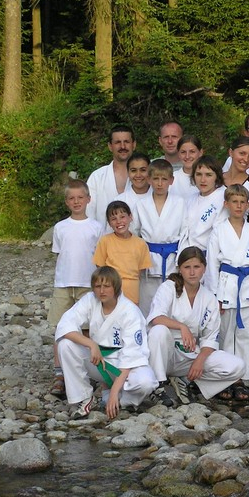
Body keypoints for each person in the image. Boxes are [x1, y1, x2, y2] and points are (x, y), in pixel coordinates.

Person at [147, 247, 246, 405]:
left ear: (204, 269)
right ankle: (158, 386)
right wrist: (182, 327)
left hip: (189, 355)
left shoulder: (209, 298)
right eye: (187, 267)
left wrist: (200, 360)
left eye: (196, 267)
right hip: (164, 354)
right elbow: (156, 318)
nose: (192, 272)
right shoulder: (168, 287)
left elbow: (210, 338)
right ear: (180, 269)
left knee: (237, 366)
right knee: (158, 331)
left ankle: (187, 381)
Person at [55, 266, 157, 419]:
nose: (102, 291)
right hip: (99, 360)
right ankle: (84, 397)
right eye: (98, 286)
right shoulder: (90, 300)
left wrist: (114, 393)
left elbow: (132, 355)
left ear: (116, 287)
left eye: (107, 286)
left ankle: (121, 401)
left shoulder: (130, 311)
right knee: (65, 345)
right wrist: (91, 344)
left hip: (123, 366)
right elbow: (65, 325)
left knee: (145, 382)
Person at [204, 184, 249, 401]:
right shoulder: (219, 230)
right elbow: (212, 264)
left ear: (248, 205)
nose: (239, 206)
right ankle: (226, 378)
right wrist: (214, 295)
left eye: (243, 202)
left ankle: (243, 378)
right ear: (226, 204)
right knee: (225, 335)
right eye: (234, 202)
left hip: (248, 287)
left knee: (246, 335)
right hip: (226, 287)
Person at [48, 179, 104, 398]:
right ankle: (60, 373)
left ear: (88, 199)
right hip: (63, 284)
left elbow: (99, 257)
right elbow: (60, 254)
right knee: (60, 328)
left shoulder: (96, 227)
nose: (76, 201)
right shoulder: (60, 227)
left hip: (87, 284)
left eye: (80, 197)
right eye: (71, 198)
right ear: (66, 202)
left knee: (88, 328)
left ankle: (89, 369)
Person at [131, 159, 187, 316]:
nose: (160, 183)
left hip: (172, 262)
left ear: (171, 180)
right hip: (148, 264)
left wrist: (180, 262)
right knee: (147, 307)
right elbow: (134, 234)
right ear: (149, 179)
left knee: (171, 307)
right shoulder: (141, 205)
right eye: (155, 179)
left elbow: (185, 233)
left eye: (164, 179)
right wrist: (139, 260)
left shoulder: (180, 203)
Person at [93, 200, 152, 305]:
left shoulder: (141, 243)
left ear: (130, 217)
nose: (119, 222)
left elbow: (140, 271)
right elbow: (100, 267)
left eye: (122, 217)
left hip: (132, 292)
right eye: (113, 219)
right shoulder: (105, 241)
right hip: (111, 290)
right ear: (109, 223)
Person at [86, 125, 136, 228]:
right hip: (102, 237)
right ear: (110, 146)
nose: (122, 146)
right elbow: (88, 214)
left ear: (134, 145)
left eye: (126, 142)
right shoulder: (97, 177)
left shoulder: (143, 178)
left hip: (135, 237)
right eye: (117, 142)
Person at [178, 155, 225, 252]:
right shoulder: (190, 200)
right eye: (199, 174)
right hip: (188, 254)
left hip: (210, 254)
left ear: (217, 177)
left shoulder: (223, 198)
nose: (203, 180)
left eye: (208, 175)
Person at [116, 152, 151, 218]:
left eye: (143, 170)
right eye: (133, 170)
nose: (138, 175)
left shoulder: (162, 197)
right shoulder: (120, 201)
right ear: (128, 172)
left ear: (150, 172)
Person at [169, 135, 203, 199]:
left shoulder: (209, 178)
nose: (187, 156)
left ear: (200, 153)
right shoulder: (171, 178)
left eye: (192, 152)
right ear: (178, 154)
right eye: (183, 152)